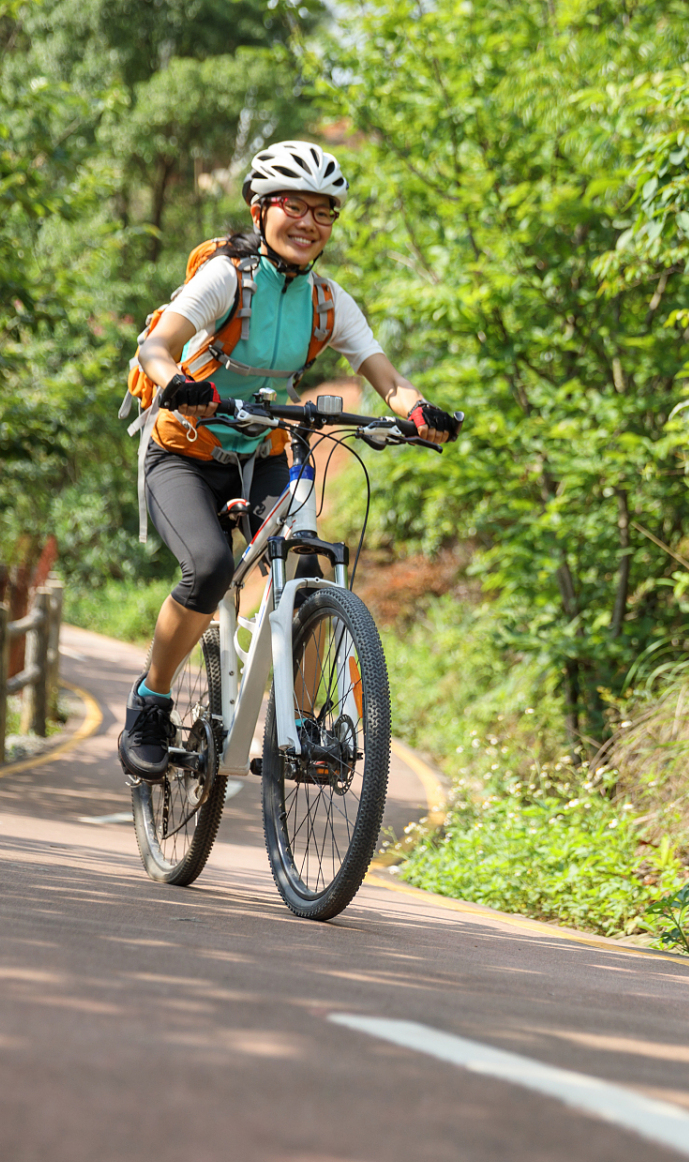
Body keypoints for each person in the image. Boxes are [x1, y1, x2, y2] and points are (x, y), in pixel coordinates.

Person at [119, 140, 459, 781]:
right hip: (185, 452)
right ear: (259, 211)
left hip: (263, 449)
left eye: (323, 213)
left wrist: (419, 413)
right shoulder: (227, 277)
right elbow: (158, 345)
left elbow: (387, 377)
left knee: (308, 560)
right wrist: (174, 383)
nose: (308, 223)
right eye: (293, 207)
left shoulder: (328, 302)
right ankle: (151, 703)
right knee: (212, 565)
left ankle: (303, 725)